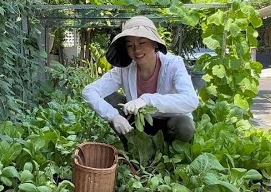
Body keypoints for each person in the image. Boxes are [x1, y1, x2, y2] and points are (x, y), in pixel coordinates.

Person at [82, 16, 199, 147]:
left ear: (155, 43)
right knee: (109, 97)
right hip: (139, 122)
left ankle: (169, 151)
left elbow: (191, 101)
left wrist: (146, 100)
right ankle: (132, 145)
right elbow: (89, 91)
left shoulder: (173, 64)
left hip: (168, 121)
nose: (136, 50)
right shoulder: (124, 69)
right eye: (130, 45)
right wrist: (113, 116)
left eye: (142, 43)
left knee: (185, 126)